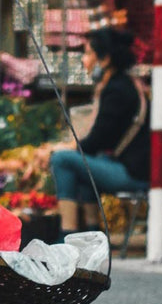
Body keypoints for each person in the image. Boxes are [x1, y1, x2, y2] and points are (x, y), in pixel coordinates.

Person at [48, 28, 150, 233]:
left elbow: (97, 140)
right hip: (134, 168)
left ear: (104, 59)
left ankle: (67, 234)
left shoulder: (117, 90)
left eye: (87, 54)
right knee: (85, 168)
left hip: (136, 174)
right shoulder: (122, 84)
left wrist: (65, 148)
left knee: (61, 160)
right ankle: (93, 233)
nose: (84, 61)